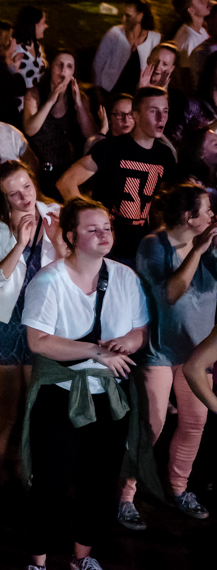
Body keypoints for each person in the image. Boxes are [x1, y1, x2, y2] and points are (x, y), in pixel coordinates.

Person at [21, 197, 149, 570]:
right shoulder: (50, 280)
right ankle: (38, 561)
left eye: (107, 228)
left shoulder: (125, 277)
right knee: (51, 482)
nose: (103, 235)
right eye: (92, 229)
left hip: (109, 396)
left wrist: (127, 343)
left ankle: (82, 558)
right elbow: (38, 342)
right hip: (60, 395)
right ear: (71, 236)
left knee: (98, 482)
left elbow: (140, 330)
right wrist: (97, 351)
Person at [117, 184, 216, 529]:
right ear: (189, 217)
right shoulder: (153, 245)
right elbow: (170, 293)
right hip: (158, 350)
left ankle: (179, 489)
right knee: (151, 426)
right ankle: (125, 496)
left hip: (196, 353)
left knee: (195, 422)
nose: (213, 216)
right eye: (207, 210)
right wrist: (197, 251)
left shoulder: (211, 246)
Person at [0, 161, 65, 483]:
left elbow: (72, 269)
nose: (24, 197)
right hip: (6, 322)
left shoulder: (55, 214)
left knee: (36, 409)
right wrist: (19, 244)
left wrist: (57, 239)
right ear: (3, 197)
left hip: (42, 322)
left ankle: (29, 474)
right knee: (7, 412)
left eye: (27, 187)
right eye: (13, 194)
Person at [57, 87, 177, 265]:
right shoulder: (111, 148)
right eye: (153, 111)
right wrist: (91, 221)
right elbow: (66, 182)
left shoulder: (165, 156)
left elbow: (159, 206)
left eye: (165, 111)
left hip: (141, 248)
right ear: (136, 115)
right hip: (108, 249)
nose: (161, 118)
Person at [22, 50, 97, 195]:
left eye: (69, 66)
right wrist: (51, 100)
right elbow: (30, 129)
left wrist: (79, 104)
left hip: (68, 171)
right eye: (59, 64)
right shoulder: (35, 94)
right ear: (51, 67)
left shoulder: (79, 97)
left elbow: (91, 134)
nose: (63, 70)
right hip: (40, 170)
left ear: (73, 72)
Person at [93, 0, 161, 95]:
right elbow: (98, 63)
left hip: (135, 94)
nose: (123, 19)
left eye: (128, 16)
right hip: (108, 91)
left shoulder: (154, 39)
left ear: (140, 17)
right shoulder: (114, 33)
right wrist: (98, 91)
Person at [172, 0, 214, 66]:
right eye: (200, 0)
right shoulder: (189, 40)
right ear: (191, 10)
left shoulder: (202, 31)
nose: (206, 0)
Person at [13, 5, 48, 91]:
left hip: (38, 96)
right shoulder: (15, 48)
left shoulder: (37, 46)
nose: (46, 26)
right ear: (35, 25)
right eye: (43, 23)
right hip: (22, 97)